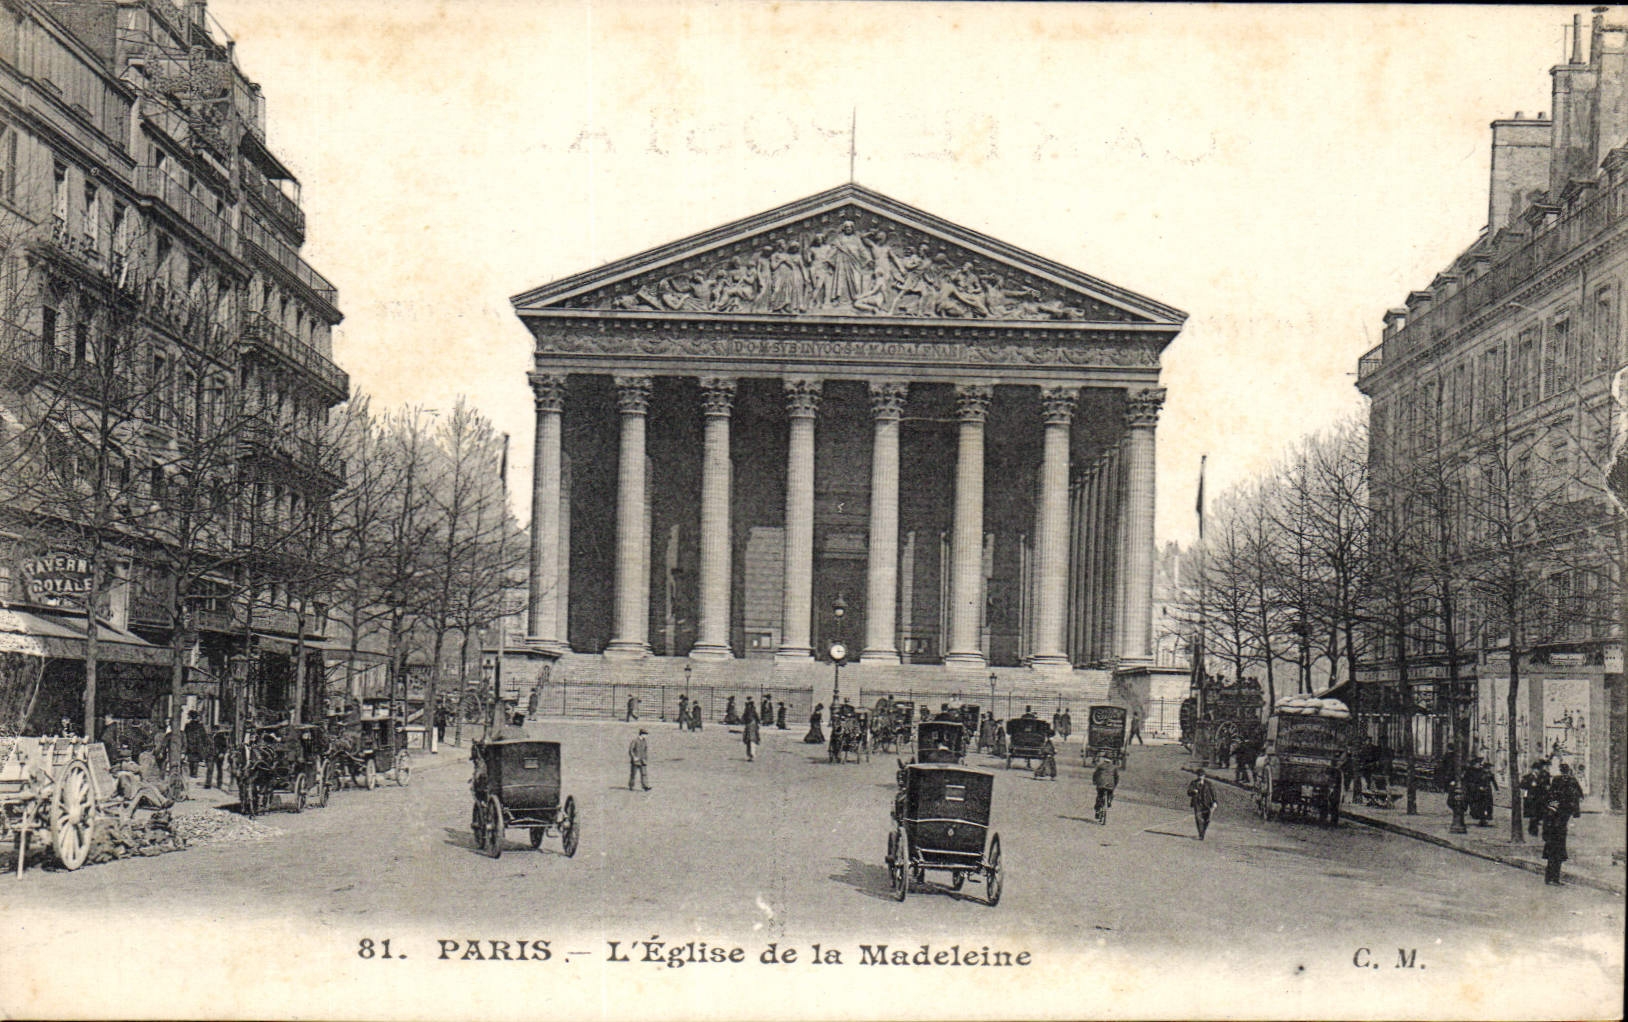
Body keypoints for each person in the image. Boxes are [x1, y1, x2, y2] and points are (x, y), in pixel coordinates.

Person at [1542, 762, 1584, 885]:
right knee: (1555, 855)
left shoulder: (1559, 783)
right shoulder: (1556, 806)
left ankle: (1552, 878)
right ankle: (1552, 878)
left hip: (1556, 833)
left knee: (1555, 855)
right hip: (1555, 833)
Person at [1521, 759, 1551, 837]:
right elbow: (1522, 785)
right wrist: (1529, 785)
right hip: (1532, 799)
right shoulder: (1528, 777)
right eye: (1536, 769)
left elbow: (1547, 785)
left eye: (1539, 769)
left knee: (1544, 815)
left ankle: (1544, 832)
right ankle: (1533, 831)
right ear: (1533, 769)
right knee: (1533, 816)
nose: (1538, 771)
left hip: (1542, 798)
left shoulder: (1545, 775)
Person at [1188, 768, 1218, 840]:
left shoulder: (1209, 784)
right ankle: (1201, 834)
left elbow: (1213, 793)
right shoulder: (1193, 783)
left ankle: (1203, 832)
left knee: (1207, 819)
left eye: (1201, 775)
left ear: (1204, 776)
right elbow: (1188, 792)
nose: (1200, 777)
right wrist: (1193, 791)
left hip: (1207, 803)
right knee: (1198, 819)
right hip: (1197, 803)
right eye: (1199, 775)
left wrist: (1215, 802)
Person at [183, 711, 208, 779]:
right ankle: (194, 773)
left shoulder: (187, 725)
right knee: (196, 760)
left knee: (191, 759)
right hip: (198, 744)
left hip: (190, 744)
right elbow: (204, 736)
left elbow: (185, 735)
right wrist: (205, 744)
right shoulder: (200, 726)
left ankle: (192, 772)